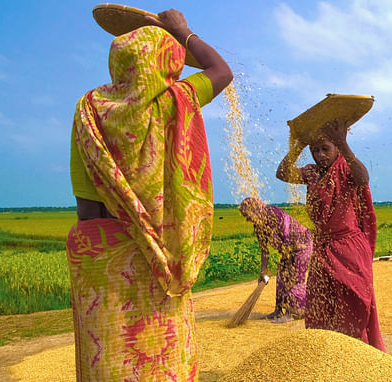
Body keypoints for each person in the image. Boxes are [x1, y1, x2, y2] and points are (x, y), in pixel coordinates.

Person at [66, 9, 232, 380]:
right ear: (166, 63)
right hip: (160, 255)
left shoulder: (89, 109)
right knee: (162, 358)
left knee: (109, 357)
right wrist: (184, 32)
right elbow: (221, 71)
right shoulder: (176, 101)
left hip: (100, 254)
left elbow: (87, 205)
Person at [276, 119, 385, 351]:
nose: (320, 155)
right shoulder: (312, 173)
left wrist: (344, 144)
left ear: (336, 147)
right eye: (315, 150)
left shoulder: (346, 167)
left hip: (349, 247)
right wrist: (298, 146)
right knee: (320, 305)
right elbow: (282, 173)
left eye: (325, 148)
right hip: (322, 249)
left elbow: (364, 178)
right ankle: (328, 355)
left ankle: (358, 354)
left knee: (354, 303)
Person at [238, 197, 313, 323]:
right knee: (281, 277)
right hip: (287, 249)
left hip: (301, 246)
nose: (247, 219)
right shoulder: (259, 226)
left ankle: (292, 312)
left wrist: (290, 261)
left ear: (254, 210)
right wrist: (263, 272)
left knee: (294, 277)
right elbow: (264, 250)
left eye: (247, 215)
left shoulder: (273, 213)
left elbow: (287, 232)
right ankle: (278, 311)